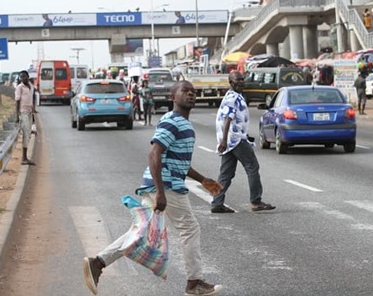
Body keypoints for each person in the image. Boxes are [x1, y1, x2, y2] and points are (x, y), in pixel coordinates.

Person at [82, 81, 224, 296]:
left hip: (162, 183)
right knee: (190, 229)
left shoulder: (182, 123)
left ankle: (98, 262)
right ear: (173, 97)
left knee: (141, 233)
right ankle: (194, 282)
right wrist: (160, 191)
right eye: (185, 91)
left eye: (193, 92)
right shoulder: (173, 121)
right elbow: (154, 153)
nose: (191, 95)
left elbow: (177, 161)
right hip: (166, 186)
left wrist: (202, 179)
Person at [211, 71, 275, 213]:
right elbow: (228, 118)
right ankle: (256, 201)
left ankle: (217, 203)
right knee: (252, 166)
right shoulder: (233, 97)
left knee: (226, 173)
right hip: (234, 140)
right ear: (230, 82)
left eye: (242, 79)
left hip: (232, 139)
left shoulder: (233, 96)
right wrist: (224, 140)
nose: (241, 82)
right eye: (237, 80)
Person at [15, 70, 37, 165]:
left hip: (29, 112)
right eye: (21, 77)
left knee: (28, 134)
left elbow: (32, 99)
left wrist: (33, 113)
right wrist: (17, 116)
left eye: (24, 76)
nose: (23, 78)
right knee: (26, 134)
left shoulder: (31, 86)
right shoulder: (19, 87)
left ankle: (25, 157)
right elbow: (17, 101)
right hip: (23, 112)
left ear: (28, 76)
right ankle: (24, 158)